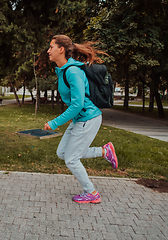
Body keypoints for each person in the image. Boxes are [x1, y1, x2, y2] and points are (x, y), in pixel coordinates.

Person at [44, 35, 118, 204]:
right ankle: (104, 151)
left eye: (51, 47)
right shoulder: (65, 70)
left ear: (61, 49)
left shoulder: (72, 71)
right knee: (62, 153)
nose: (48, 51)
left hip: (88, 119)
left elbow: (77, 104)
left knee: (71, 159)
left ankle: (91, 192)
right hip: (80, 119)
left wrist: (54, 123)